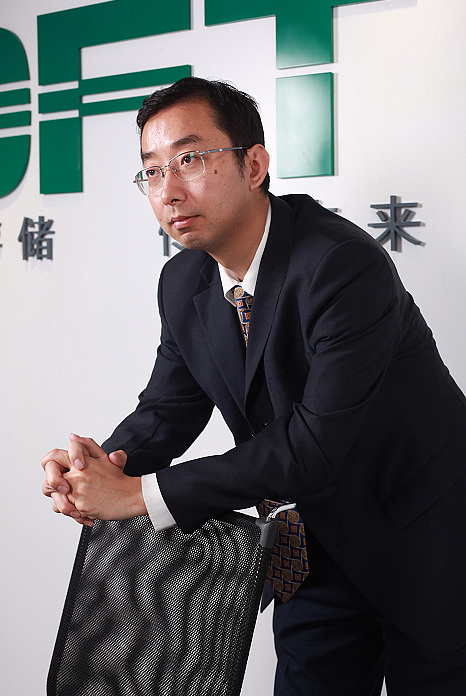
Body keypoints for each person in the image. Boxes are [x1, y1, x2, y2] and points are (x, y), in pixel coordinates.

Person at [42, 77, 466, 695]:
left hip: (426, 538)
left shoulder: (340, 264)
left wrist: (138, 495)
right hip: (312, 547)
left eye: (190, 159)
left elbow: (310, 447)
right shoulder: (182, 281)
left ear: (255, 165)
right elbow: (168, 407)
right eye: (152, 171)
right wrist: (97, 469)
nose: (169, 189)